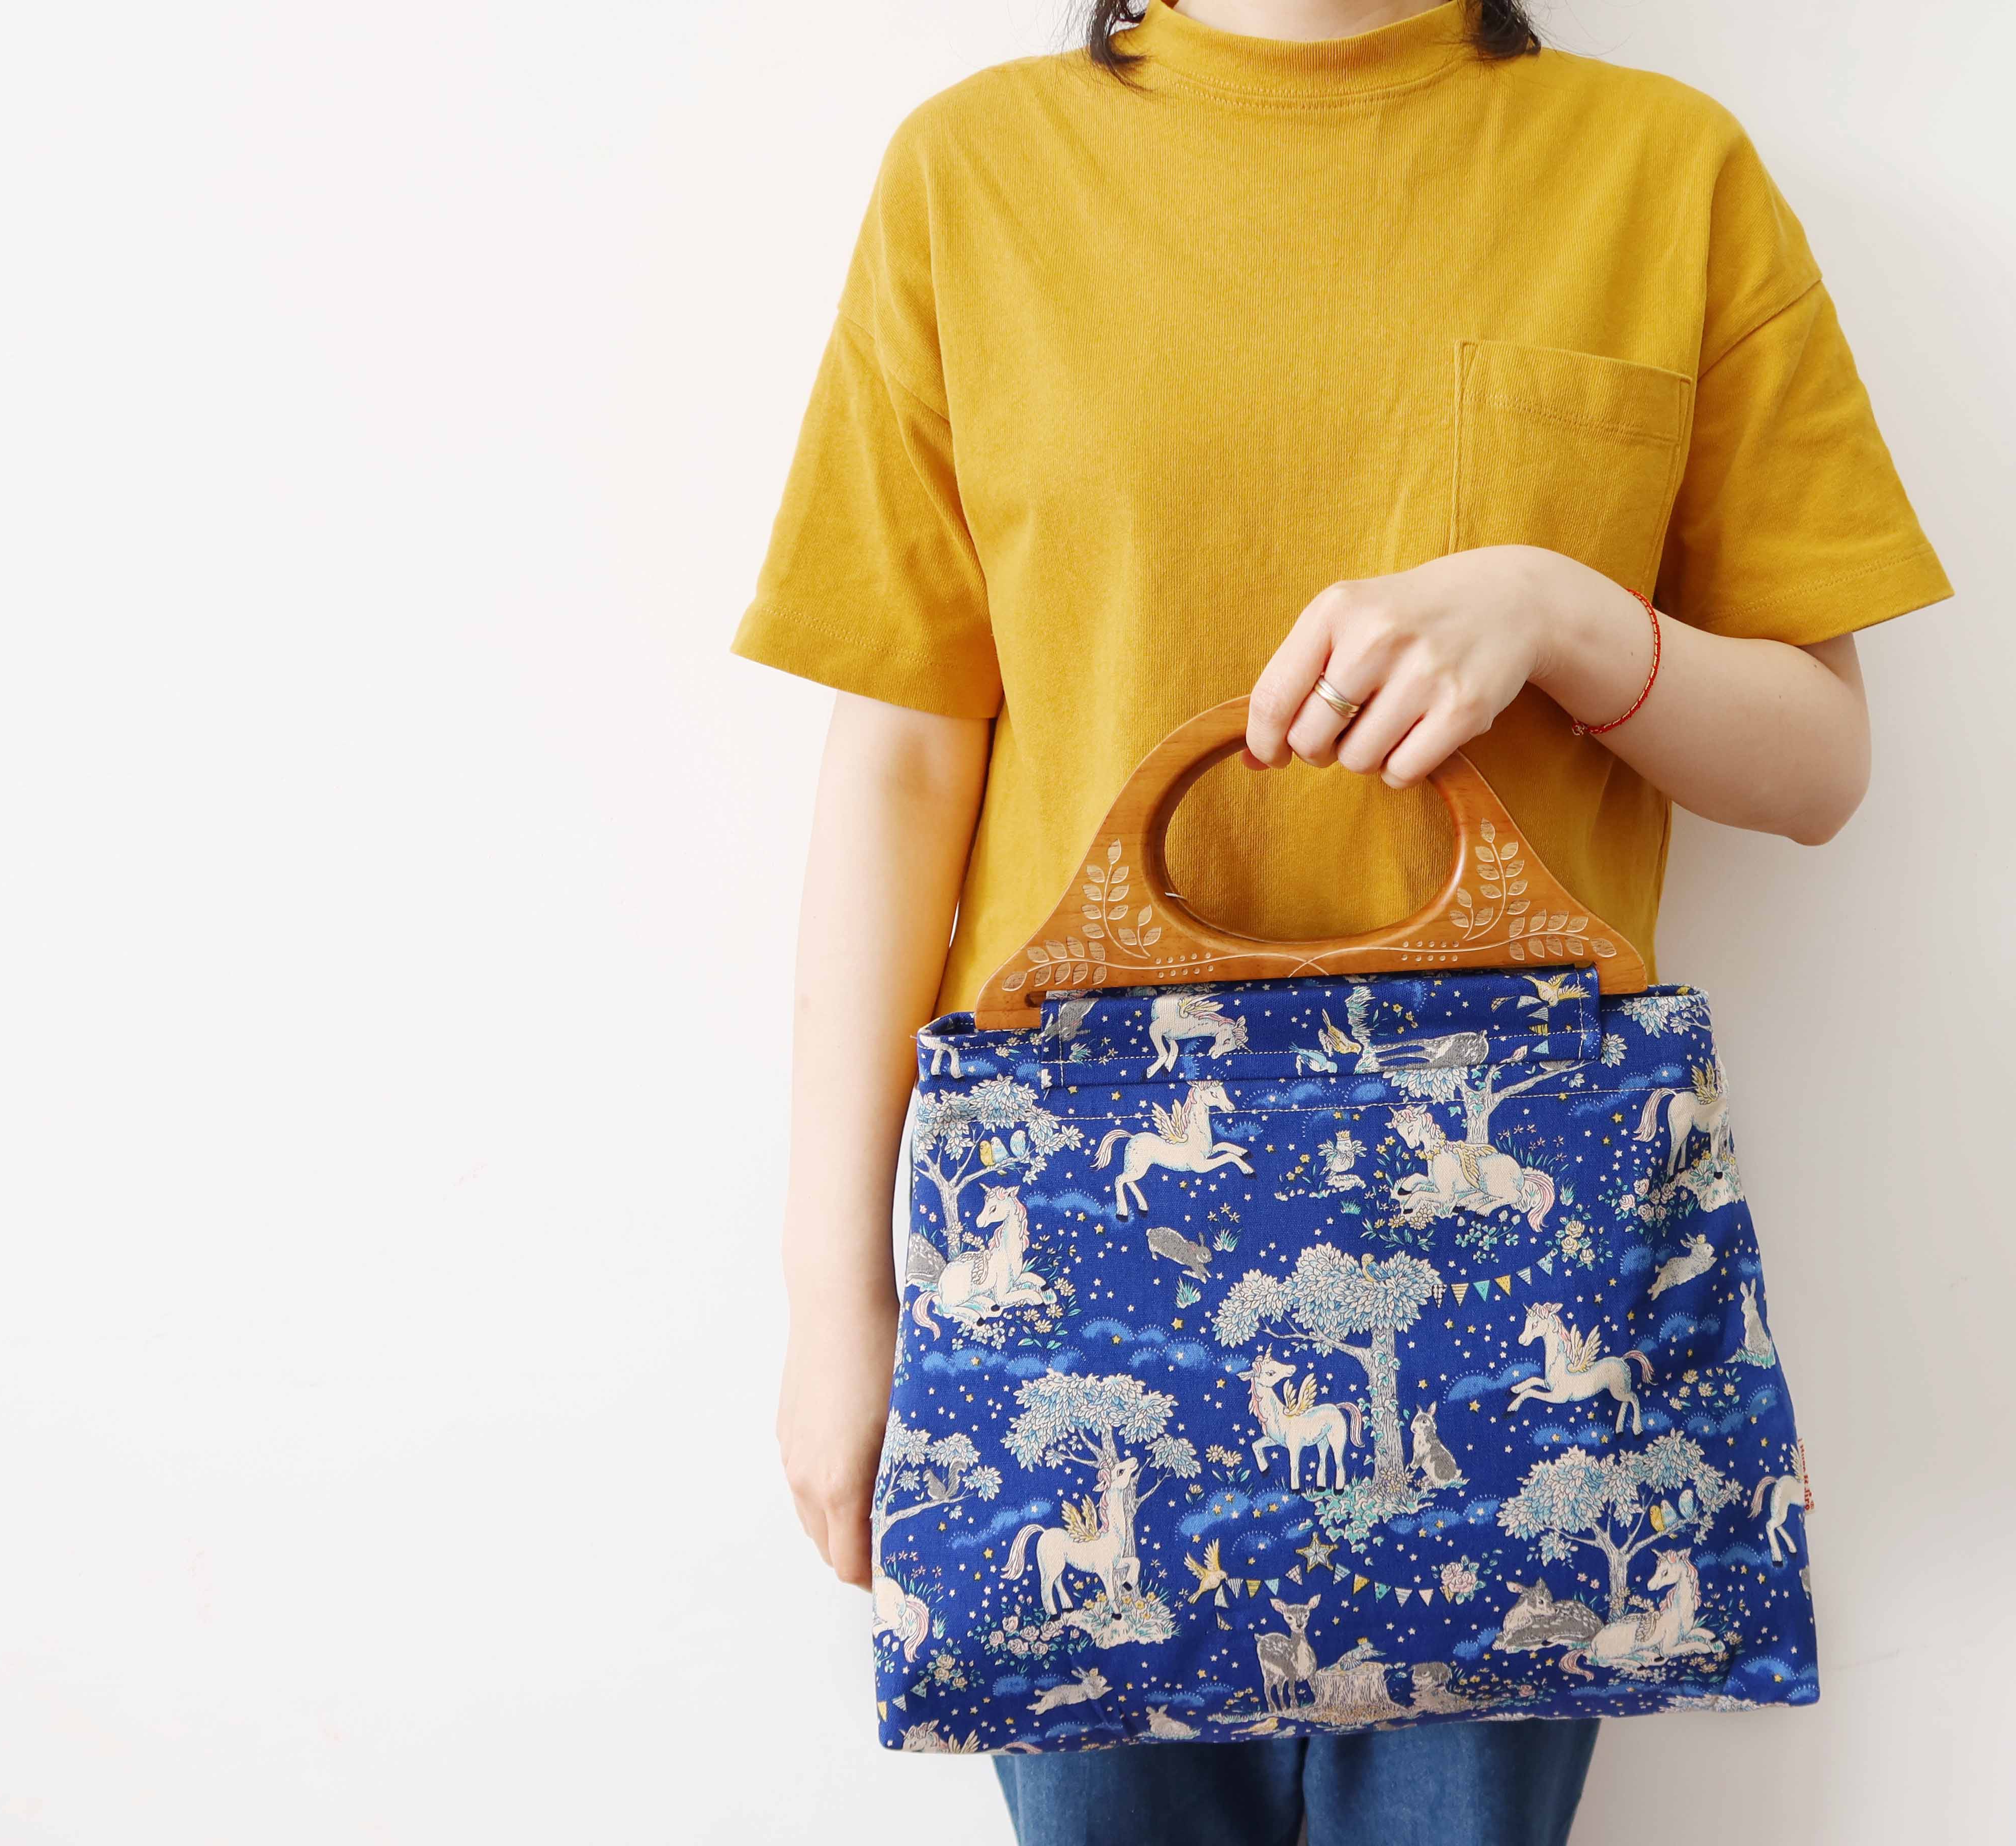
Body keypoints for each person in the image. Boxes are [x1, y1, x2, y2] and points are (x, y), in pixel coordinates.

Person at [735, 2, 1950, 1839]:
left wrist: (1561, 612)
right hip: (1069, 1254)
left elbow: (1819, 765)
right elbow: (902, 767)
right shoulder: (972, 175)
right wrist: (838, 1306)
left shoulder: (1659, 169)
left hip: (1519, 1274)